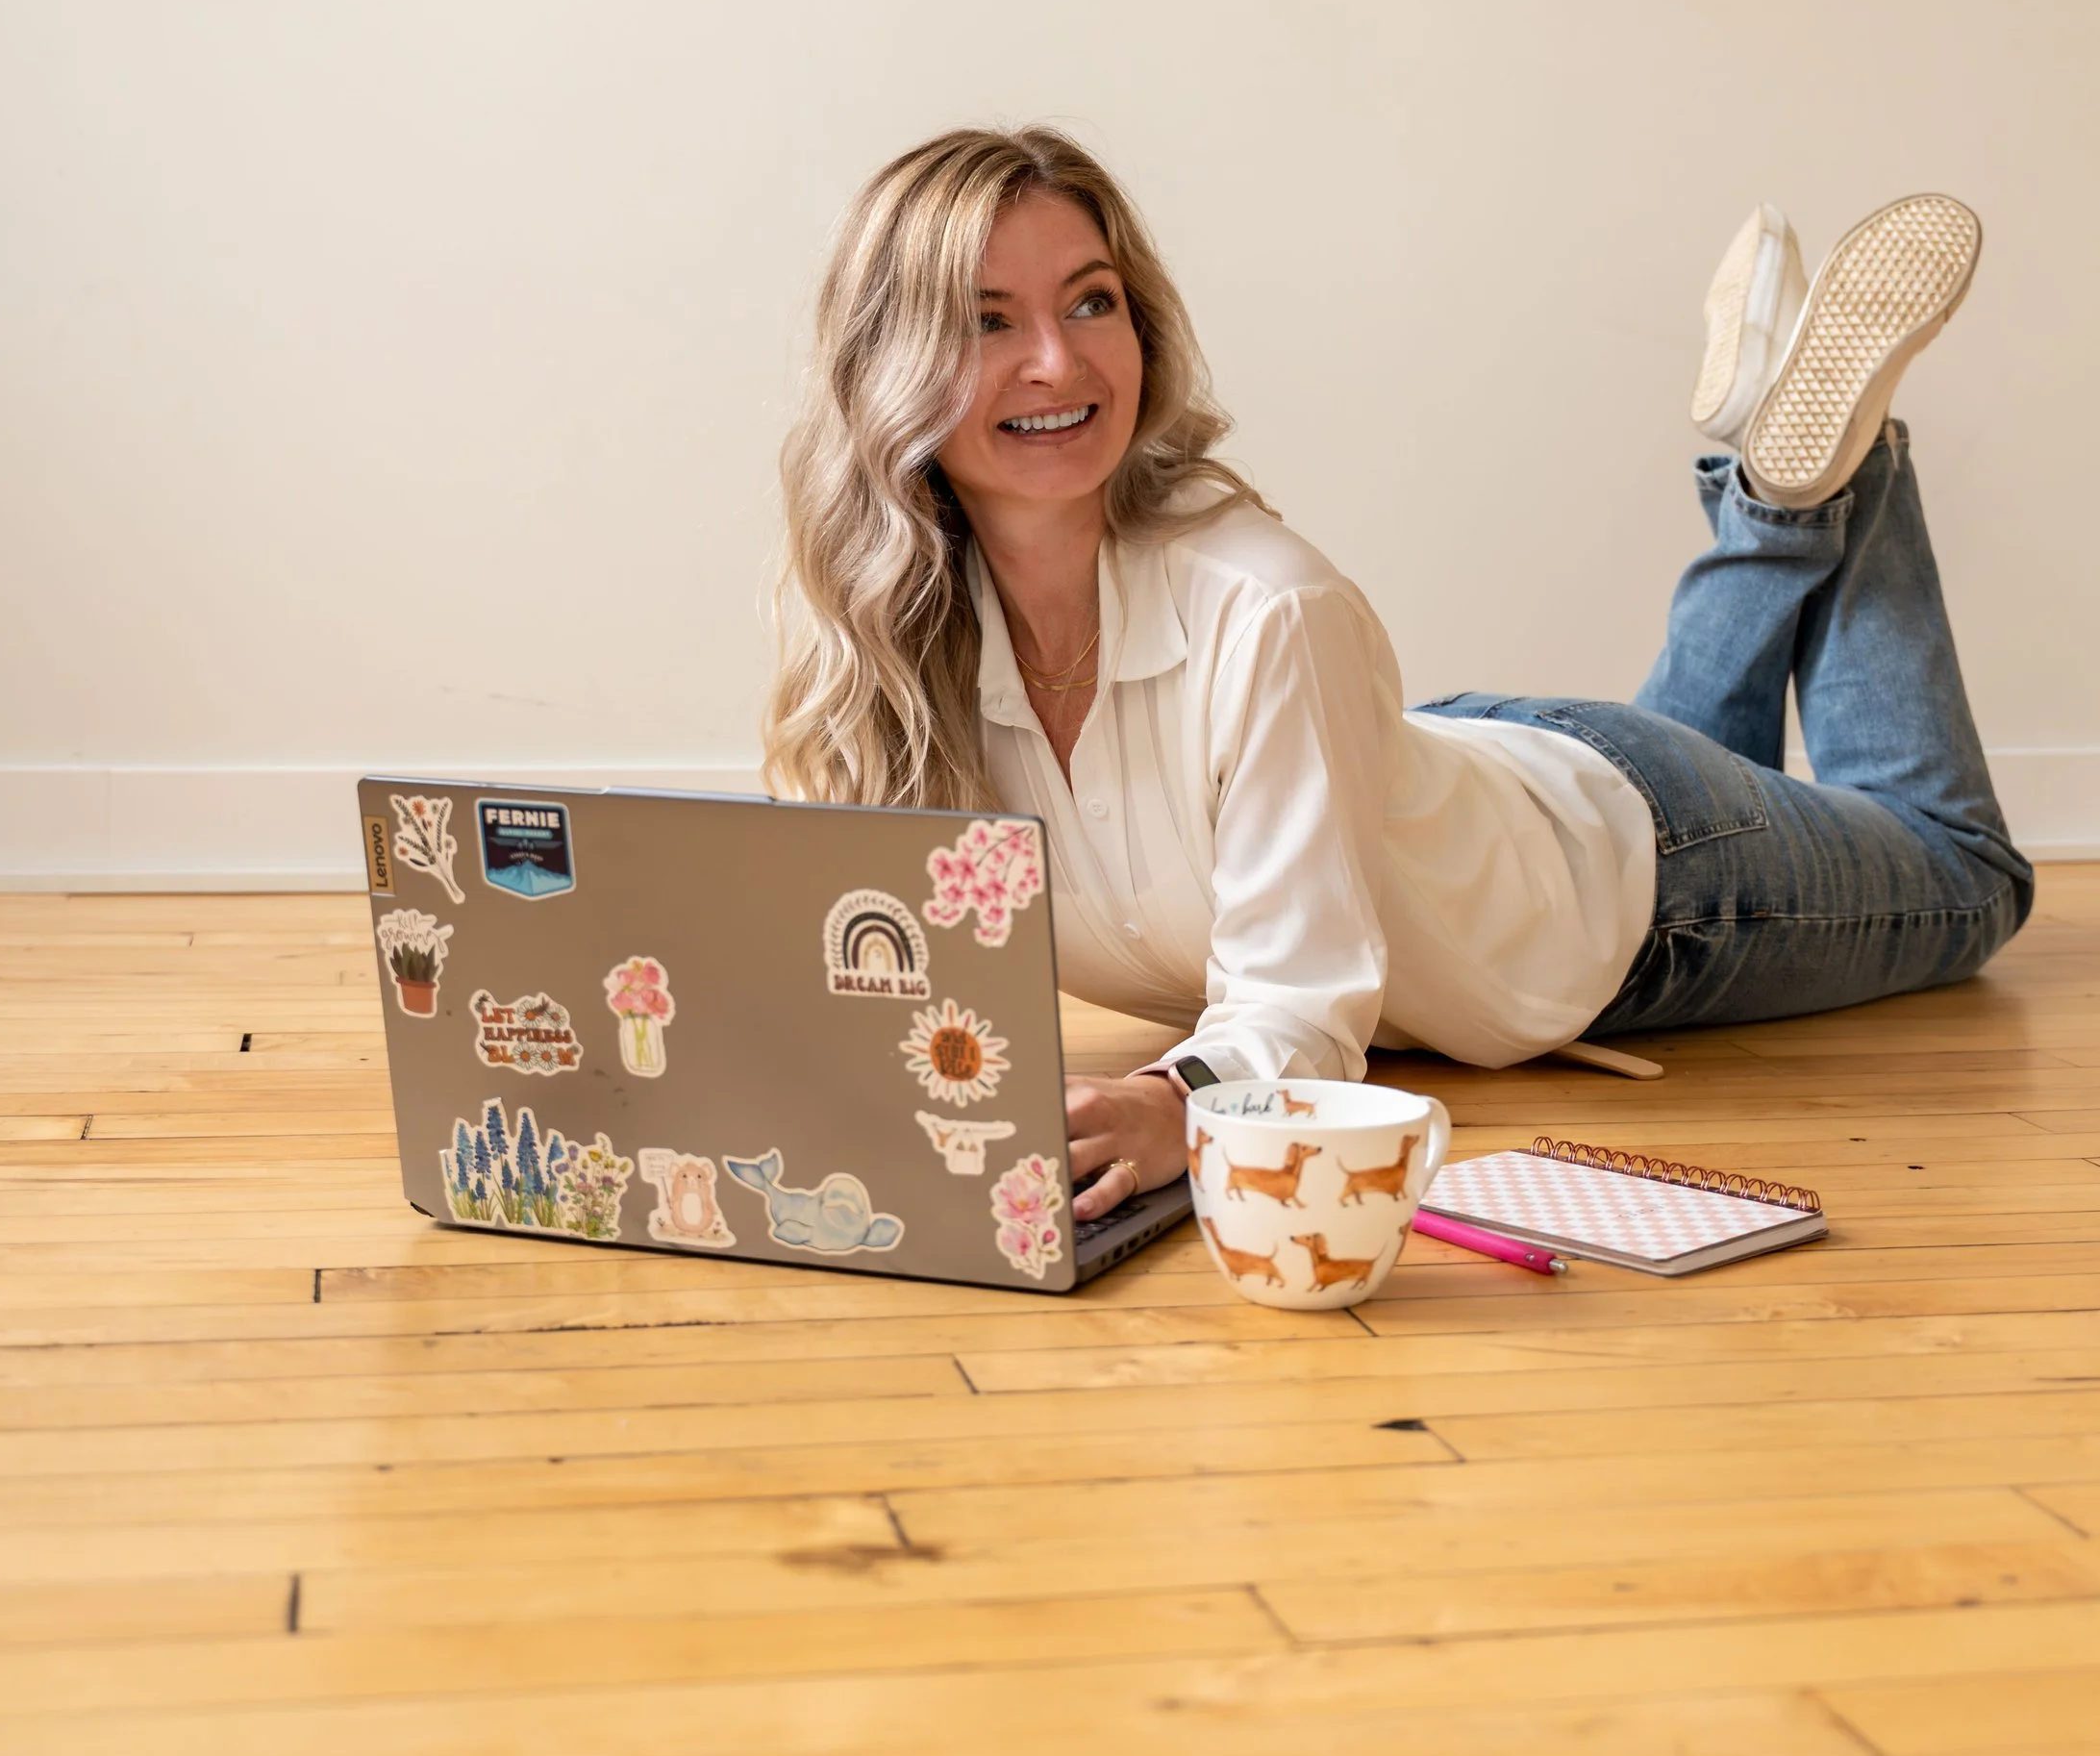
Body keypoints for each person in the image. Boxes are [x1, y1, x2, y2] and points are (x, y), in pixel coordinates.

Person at [765, 130, 2031, 1227]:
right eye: (989, 320)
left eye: (1090, 301)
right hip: (1449, 788)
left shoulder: (1268, 608)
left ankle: (1835, 478)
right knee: (1727, 775)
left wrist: (1171, 1106)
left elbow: (1306, 1012)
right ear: (890, 370)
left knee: (1964, 870)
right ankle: (1774, 457)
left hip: (1633, 901)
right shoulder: (902, 632)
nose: (1058, 359)